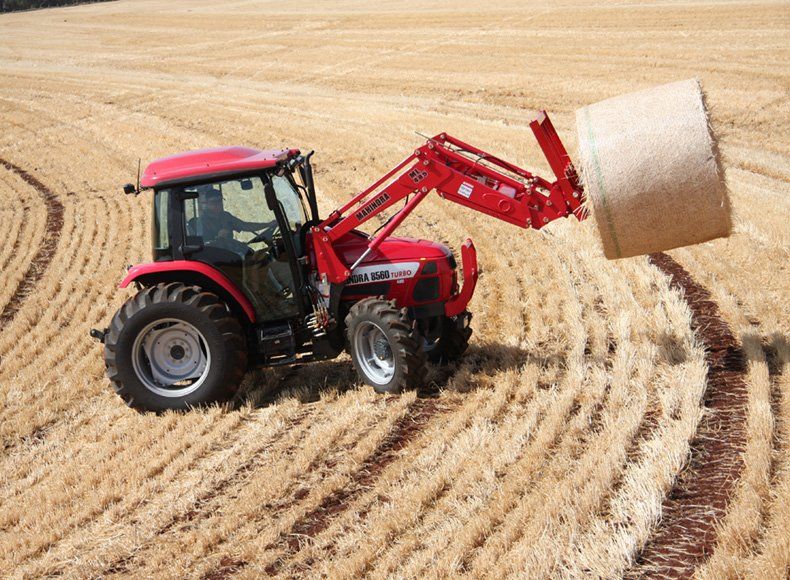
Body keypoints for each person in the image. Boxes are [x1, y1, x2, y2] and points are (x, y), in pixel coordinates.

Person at [188, 186, 273, 243]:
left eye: (220, 201)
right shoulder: (200, 223)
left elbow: (244, 226)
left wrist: (268, 224)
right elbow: (203, 247)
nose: (218, 204)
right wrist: (218, 238)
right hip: (214, 259)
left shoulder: (226, 216)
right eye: (214, 202)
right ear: (206, 204)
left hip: (231, 252)